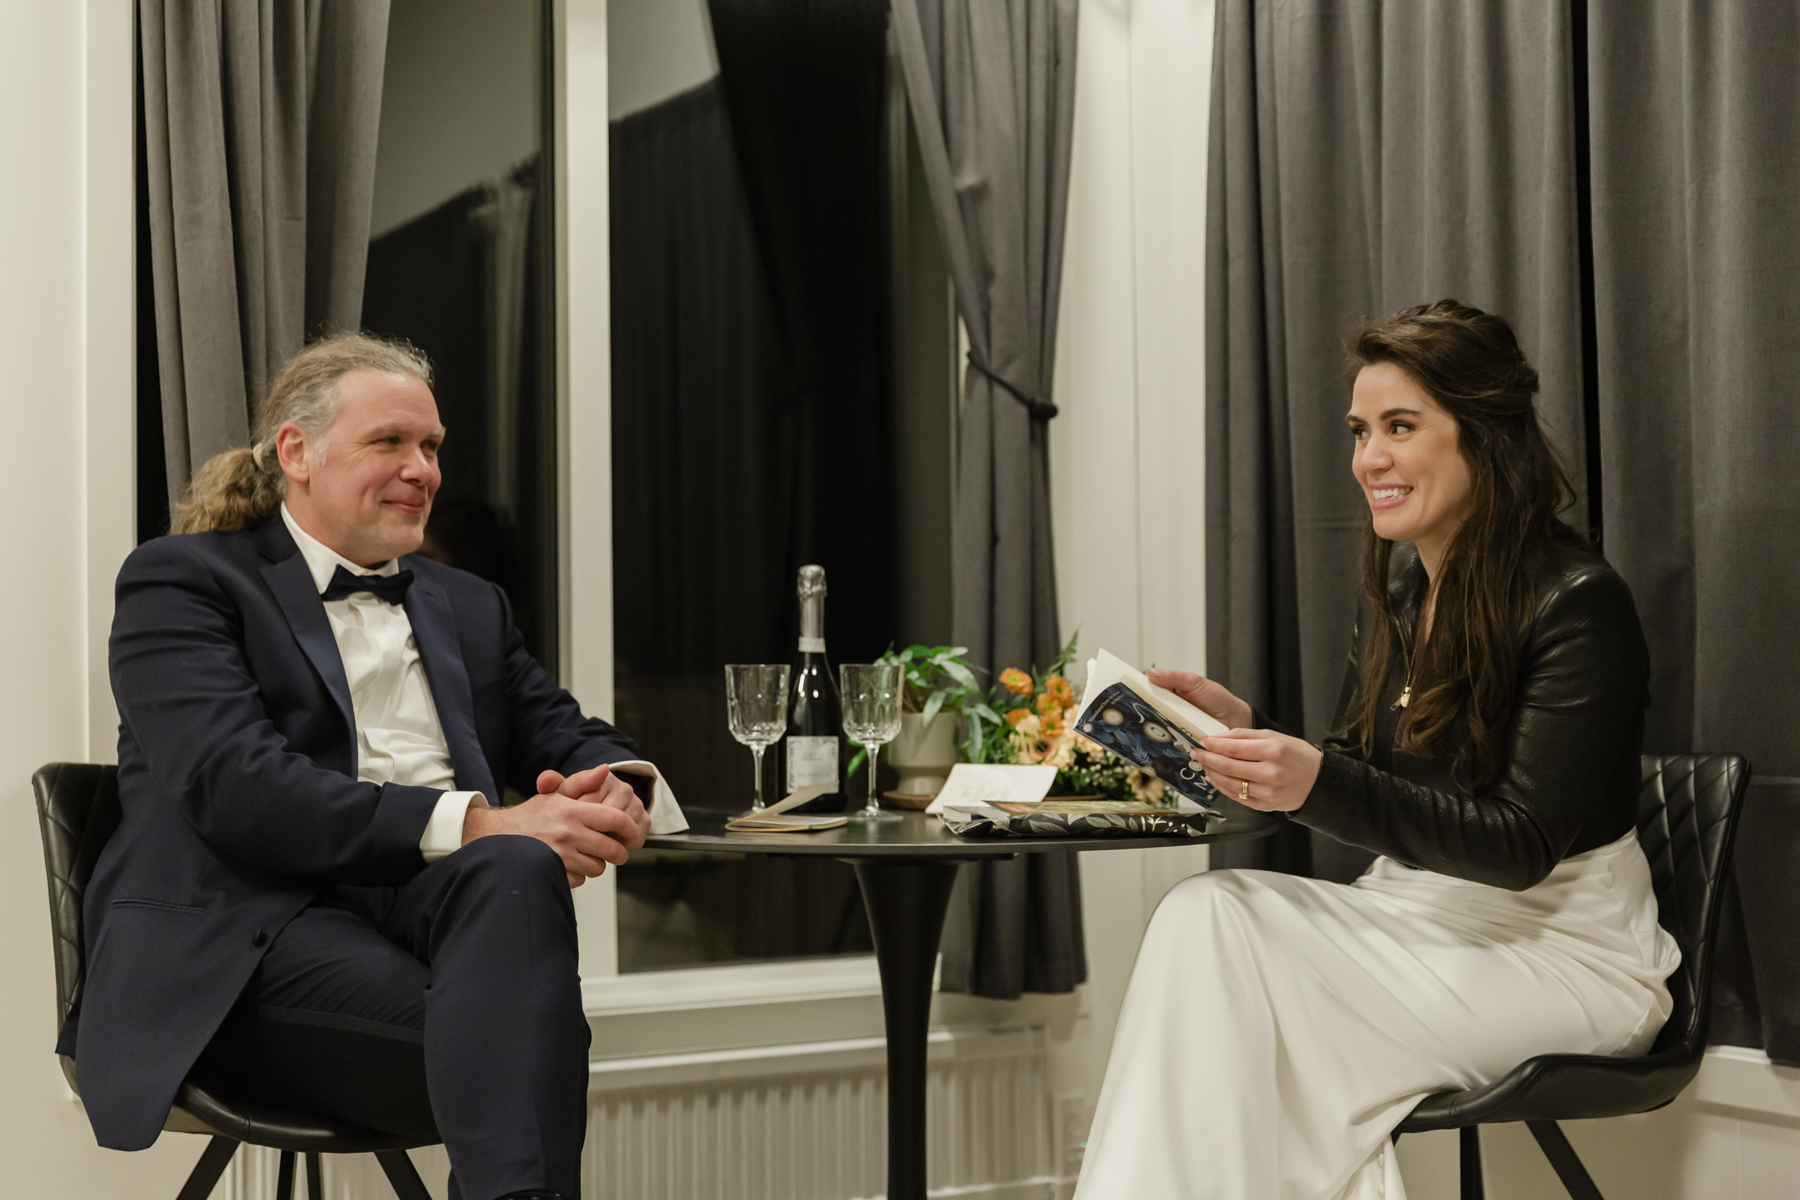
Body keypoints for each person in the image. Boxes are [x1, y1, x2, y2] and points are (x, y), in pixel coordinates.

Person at [1072, 301, 1676, 1200]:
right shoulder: (1400, 584)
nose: (1369, 460)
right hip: (1416, 918)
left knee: (1229, 963)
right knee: (1207, 918)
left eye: (1400, 427)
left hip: (1563, 953)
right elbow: (1358, 767)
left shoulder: (1578, 600)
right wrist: (1242, 731)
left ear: (1485, 436)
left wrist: (1311, 780)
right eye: (1360, 431)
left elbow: (1518, 846)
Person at [60, 333, 678, 1200]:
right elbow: (238, 786)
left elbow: (563, 728)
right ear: (296, 452)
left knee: (511, 875)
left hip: (427, 915)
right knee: (523, 1040)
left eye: (430, 447)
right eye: (389, 442)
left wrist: (620, 785)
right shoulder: (182, 581)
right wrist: (479, 819)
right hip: (253, 934)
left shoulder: (468, 604)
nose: (421, 468)